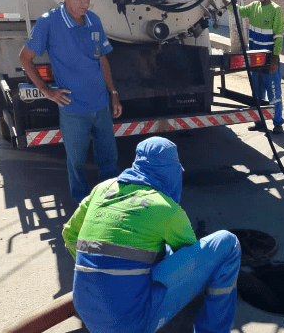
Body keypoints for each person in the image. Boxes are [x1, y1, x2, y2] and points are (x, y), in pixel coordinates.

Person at [62, 136, 241, 333]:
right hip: (130, 322)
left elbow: (70, 234)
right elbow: (191, 261)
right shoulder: (165, 208)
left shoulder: (102, 189)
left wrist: (95, 272)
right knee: (227, 243)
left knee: (154, 248)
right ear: (172, 171)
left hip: (87, 309)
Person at [19, 0, 122, 204]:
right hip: (73, 109)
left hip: (101, 105)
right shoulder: (48, 22)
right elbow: (25, 58)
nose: (85, 3)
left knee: (108, 159)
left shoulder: (94, 20)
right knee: (76, 162)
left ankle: (112, 202)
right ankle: (81, 204)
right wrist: (47, 91)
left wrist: (113, 94)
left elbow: (102, 59)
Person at [228, 0, 284, 134]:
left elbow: (278, 37)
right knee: (257, 93)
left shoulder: (276, 10)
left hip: (269, 62)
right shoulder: (253, 7)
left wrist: (274, 59)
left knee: (274, 94)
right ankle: (259, 122)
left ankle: (278, 123)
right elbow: (237, 9)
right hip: (255, 61)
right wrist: (224, 1)